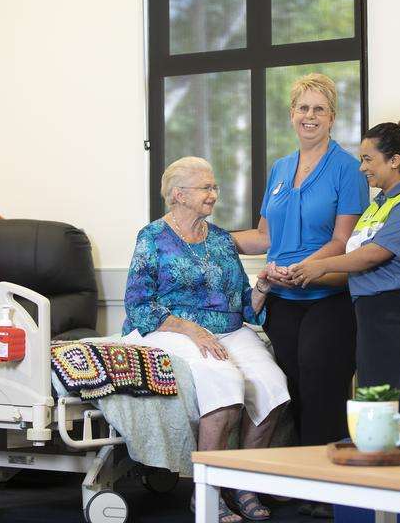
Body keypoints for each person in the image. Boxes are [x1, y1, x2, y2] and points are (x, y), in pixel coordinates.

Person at [123, 156, 290, 523]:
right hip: (171, 328)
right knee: (225, 379)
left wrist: (262, 285)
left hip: (228, 328)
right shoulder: (152, 237)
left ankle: (243, 482)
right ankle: (206, 491)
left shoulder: (220, 240)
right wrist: (191, 330)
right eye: (206, 188)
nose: (214, 194)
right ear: (179, 195)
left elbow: (245, 305)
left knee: (273, 385)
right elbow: (138, 304)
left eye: (215, 187)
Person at [231, 73, 368, 517]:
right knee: (290, 386)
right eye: (302, 108)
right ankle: (294, 479)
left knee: (322, 385)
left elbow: (344, 240)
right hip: (282, 298)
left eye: (319, 109)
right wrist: (207, 235)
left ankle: (328, 489)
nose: (309, 117)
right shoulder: (279, 167)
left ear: (332, 117)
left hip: (328, 294)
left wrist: (309, 268)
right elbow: (263, 237)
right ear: (292, 114)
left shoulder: (347, 169)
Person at [285, 116, 400, 417]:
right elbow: (356, 268)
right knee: (376, 408)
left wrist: (317, 267)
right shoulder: (378, 205)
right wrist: (302, 275)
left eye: (368, 159)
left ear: (394, 160)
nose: (362, 167)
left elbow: (372, 255)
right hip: (373, 315)